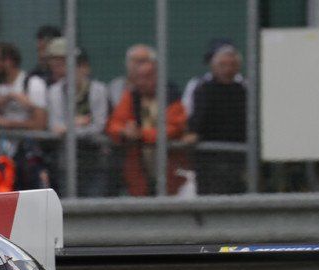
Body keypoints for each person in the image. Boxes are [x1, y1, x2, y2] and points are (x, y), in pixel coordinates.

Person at [105, 60, 188, 196]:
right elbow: (113, 124)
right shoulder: (131, 97)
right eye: (139, 78)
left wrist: (141, 134)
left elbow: (174, 128)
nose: (142, 82)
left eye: (147, 77)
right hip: (139, 170)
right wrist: (124, 132)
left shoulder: (171, 95)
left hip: (170, 168)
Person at [44, 39, 109, 197]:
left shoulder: (98, 90)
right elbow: (55, 126)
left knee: (94, 203)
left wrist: (69, 128)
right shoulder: (55, 91)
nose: (74, 71)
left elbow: (98, 126)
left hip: (95, 159)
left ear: (85, 68)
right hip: (66, 160)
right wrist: (77, 123)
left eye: (78, 66)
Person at [0, 42, 48, 189]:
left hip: (26, 155)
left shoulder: (32, 83)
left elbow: (40, 123)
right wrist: (10, 97)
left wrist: (7, 123)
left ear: (8, 62)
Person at [188, 45, 247, 195]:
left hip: (239, 157)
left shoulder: (244, 90)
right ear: (212, 66)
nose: (227, 69)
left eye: (232, 65)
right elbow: (197, 119)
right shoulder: (202, 89)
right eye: (222, 65)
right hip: (209, 158)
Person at [184, 38, 244, 119]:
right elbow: (187, 113)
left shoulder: (245, 86)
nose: (227, 69)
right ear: (211, 64)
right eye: (222, 64)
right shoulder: (197, 84)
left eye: (232, 63)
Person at [108, 44, 155, 111]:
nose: (134, 65)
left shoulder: (164, 90)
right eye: (132, 61)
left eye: (141, 61)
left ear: (152, 65)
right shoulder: (115, 87)